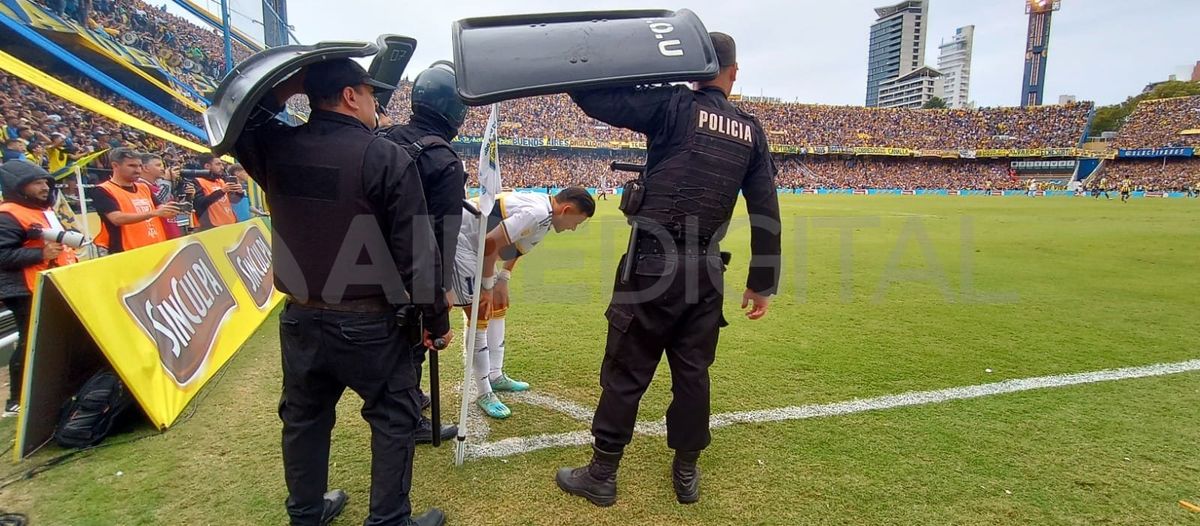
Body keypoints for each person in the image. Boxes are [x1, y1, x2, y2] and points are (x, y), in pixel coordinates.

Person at [555, 32, 781, 506]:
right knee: (693, 373)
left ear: (695, 68)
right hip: (707, 272)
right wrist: (762, 285)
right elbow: (765, 209)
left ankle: (602, 473)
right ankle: (686, 472)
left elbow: (596, 98)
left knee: (627, 368)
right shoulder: (751, 130)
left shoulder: (676, 105)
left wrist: (584, 60)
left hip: (653, 267)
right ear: (733, 72)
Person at [232, 57, 452, 526]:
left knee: (304, 419)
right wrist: (436, 320)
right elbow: (417, 250)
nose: (377, 103)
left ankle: (306, 514)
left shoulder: (278, 146)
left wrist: (286, 86)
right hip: (370, 319)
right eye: (371, 93)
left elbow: (239, 119)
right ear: (351, 96)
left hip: (301, 317)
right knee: (394, 417)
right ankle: (389, 519)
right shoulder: (384, 155)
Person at [379, 61, 468, 445]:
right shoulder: (444, 161)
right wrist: (440, 303)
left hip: (368, 261)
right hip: (412, 269)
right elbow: (441, 239)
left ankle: (408, 399)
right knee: (413, 344)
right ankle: (408, 416)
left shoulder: (383, 139)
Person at [451, 188, 594, 419]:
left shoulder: (547, 215)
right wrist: (487, 287)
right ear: (566, 210)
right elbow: (489, 243)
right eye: (575, 222)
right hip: (462, 242)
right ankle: (483, 391)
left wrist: (503, 279)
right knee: (478, 311)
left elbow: (514, 244)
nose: (573, 228)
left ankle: (496, 375)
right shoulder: (537, 212)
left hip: (480, 246)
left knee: (497, 303)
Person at [0, 160, 79, 416]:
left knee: (55, 340)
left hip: (52, 282)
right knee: (30, 342)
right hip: (26, 288)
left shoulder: (42, 210)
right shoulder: (8, 214)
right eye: (38, 183)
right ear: (19, 186)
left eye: (46, 182)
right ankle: (17, 399)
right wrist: (40, 255)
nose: (45, 187)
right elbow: (3, 256)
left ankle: (60, 387)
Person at [90, 147, 179, 255]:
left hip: (156, 248)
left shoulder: (143, 187)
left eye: (139, 166)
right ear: (115, 166)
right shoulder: (103, 190)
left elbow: (159, 207)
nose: (138, 170)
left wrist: (172, 209)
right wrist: (154, 213)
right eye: (132, 166)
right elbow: (116, 218)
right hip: (127, 252)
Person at [191, 153, 239, 230]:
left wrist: (239, 193)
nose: (222, 167)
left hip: (231, 223)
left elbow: (233, 201)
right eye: (218, 164)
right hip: (213, 227)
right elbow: (200, 204)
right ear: (207, 166)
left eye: (222, 164)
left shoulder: (221, 181)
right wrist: (221, 191)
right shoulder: (197, 182)